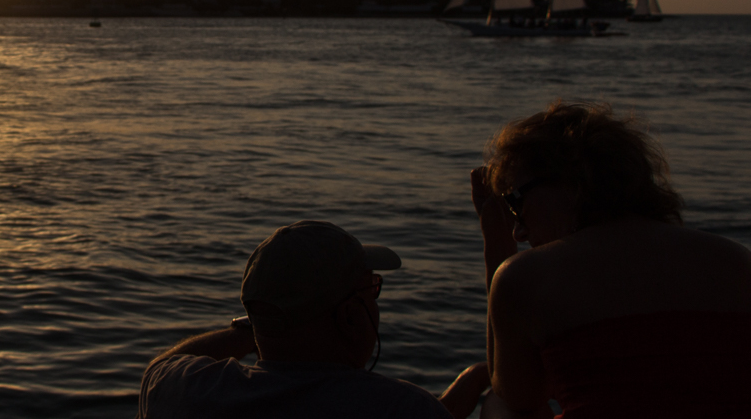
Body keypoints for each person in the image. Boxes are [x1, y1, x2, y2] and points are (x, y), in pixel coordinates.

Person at [470, 101, 751, 418]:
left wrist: (497, 240)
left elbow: (517, 392)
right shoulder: (733, 259)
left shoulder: (529, 276)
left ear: (570, 184)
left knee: (500, 406)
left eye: (514, 202)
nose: (519, 231)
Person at [137, 220, 474, 419]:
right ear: (350, 316)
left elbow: (162, 367)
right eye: (372, 288)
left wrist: (254, 330)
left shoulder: (185, 395)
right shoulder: (405, 408)